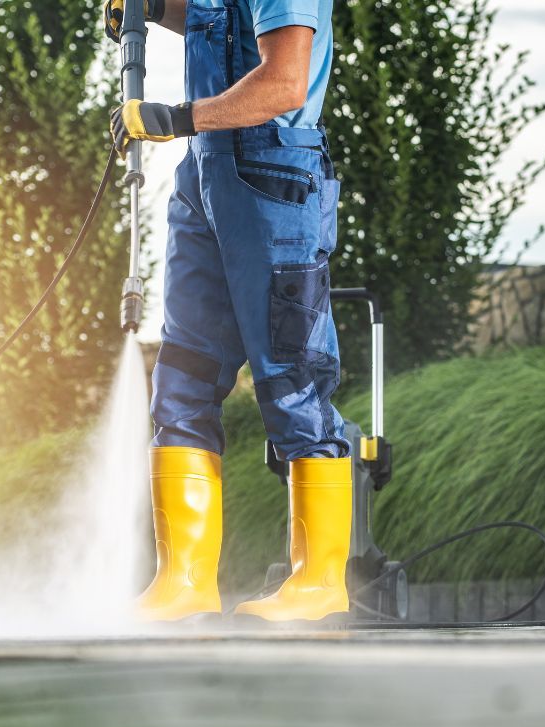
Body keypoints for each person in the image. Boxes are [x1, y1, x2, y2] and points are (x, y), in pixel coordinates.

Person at [105, 0, 351, 622]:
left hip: (273, 173)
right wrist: (158, 11)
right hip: (206, 175)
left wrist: (176, 116)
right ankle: (183, 583)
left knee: (293, 376)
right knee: (183, 377)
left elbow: (283, 82)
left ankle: (320, 584)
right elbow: (220, 27)